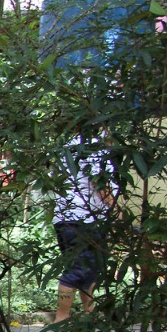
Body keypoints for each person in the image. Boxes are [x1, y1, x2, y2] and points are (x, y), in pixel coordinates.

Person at [51, 137, 114, 322]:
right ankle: (61, 320)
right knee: (76, 271)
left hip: (68, 218)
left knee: (90, 270)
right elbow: (99, 183)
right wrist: (117, 212)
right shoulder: (93, 145)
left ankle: (91, 316)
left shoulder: (69, 145)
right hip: (84, 219)